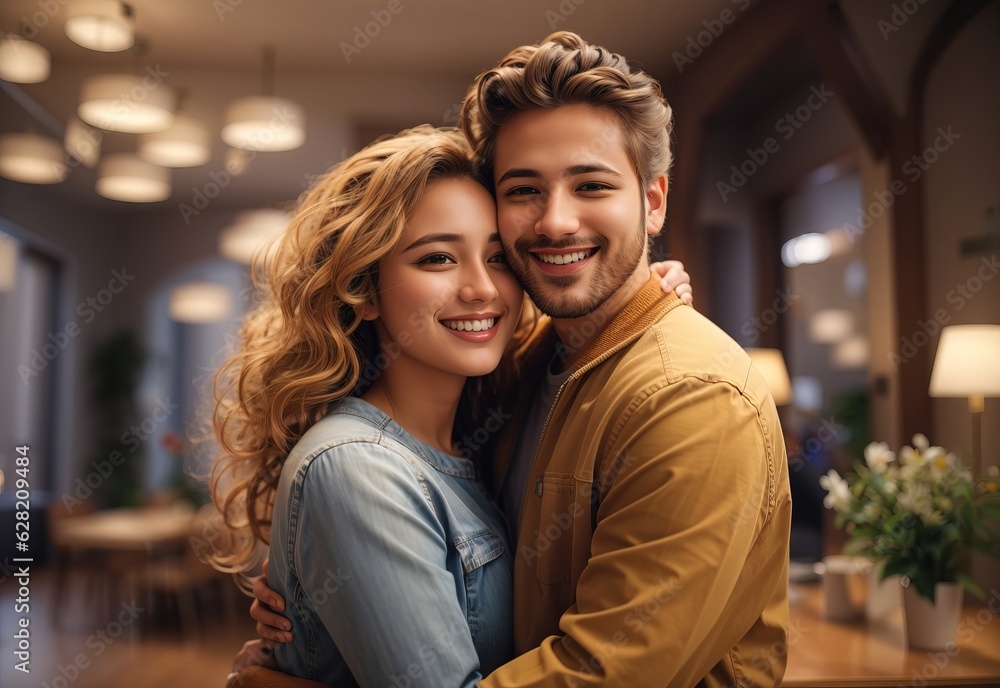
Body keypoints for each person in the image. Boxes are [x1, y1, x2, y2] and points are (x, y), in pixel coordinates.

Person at [246, 30, 791, 688]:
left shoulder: (694, 397)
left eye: (591, 185)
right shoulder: (518, 373)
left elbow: (601, 673)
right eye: (525, 189)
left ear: (651, 201)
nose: (556, 222)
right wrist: (329, 597)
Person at [212, 124, 693, 687]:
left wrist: (634, 300)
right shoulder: (356, 467)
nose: (481, 289)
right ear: (363, 291)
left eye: (497, 258)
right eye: (438, 258)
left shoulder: (482, 434)